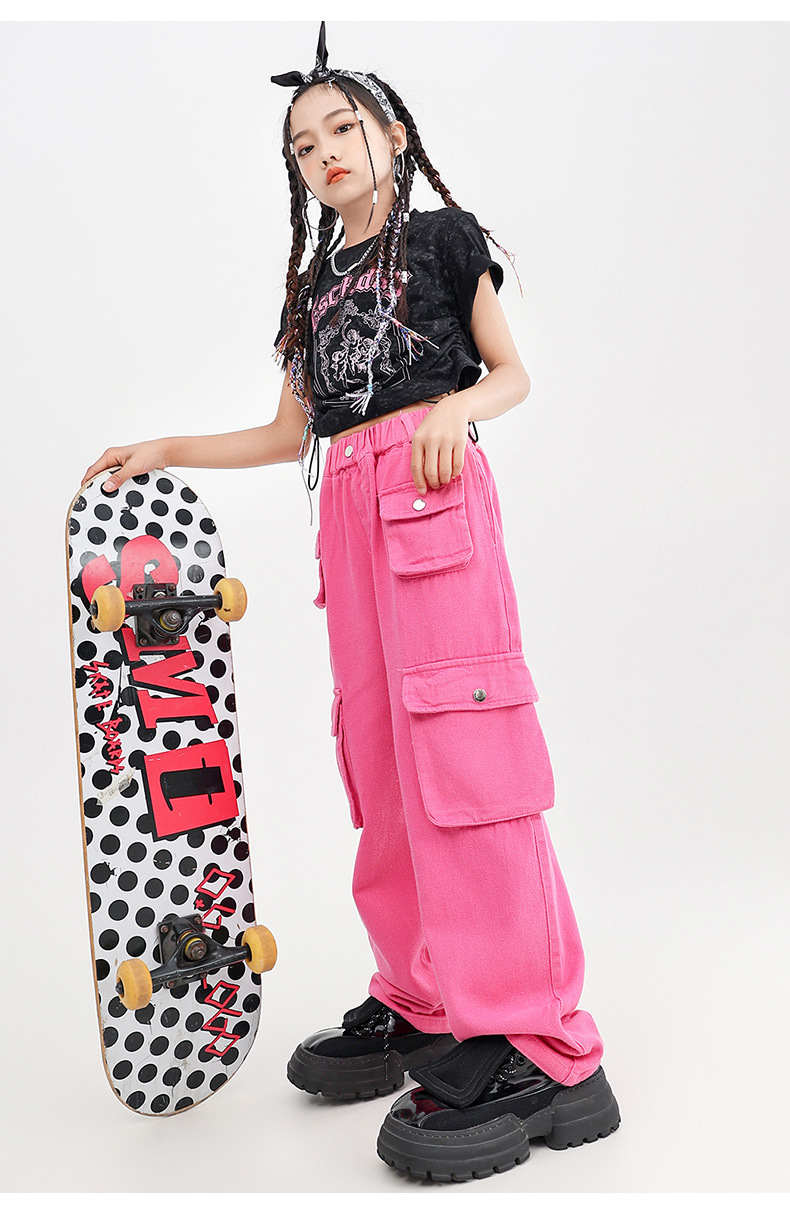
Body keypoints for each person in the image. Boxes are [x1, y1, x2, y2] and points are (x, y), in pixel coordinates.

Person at [82, 22, 620, 1183]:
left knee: (465, 765)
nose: (323, 151)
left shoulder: (442, 240)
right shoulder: (312, 284)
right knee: (380, 766)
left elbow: (510, 372)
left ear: (391, 134)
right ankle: (424, 1000)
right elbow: (291, 433)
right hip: (349, 520)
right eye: (301, 144)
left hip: (432, 503)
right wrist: (165, 446)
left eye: (341, 127)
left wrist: (454, 408)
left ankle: (535, 1044)